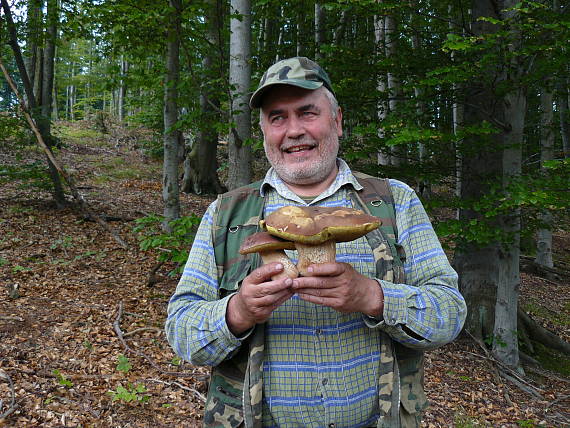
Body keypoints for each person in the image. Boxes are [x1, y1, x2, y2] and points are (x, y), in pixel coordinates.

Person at [165, 57, 467, 428]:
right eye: (278, 117)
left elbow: (450, 313)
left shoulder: (395, 201)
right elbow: (181, 331)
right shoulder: (225, 214)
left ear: (337, 120)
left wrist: (373, 296)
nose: (293, 131)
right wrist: (239, 311)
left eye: (308, 113)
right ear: (264, 131)